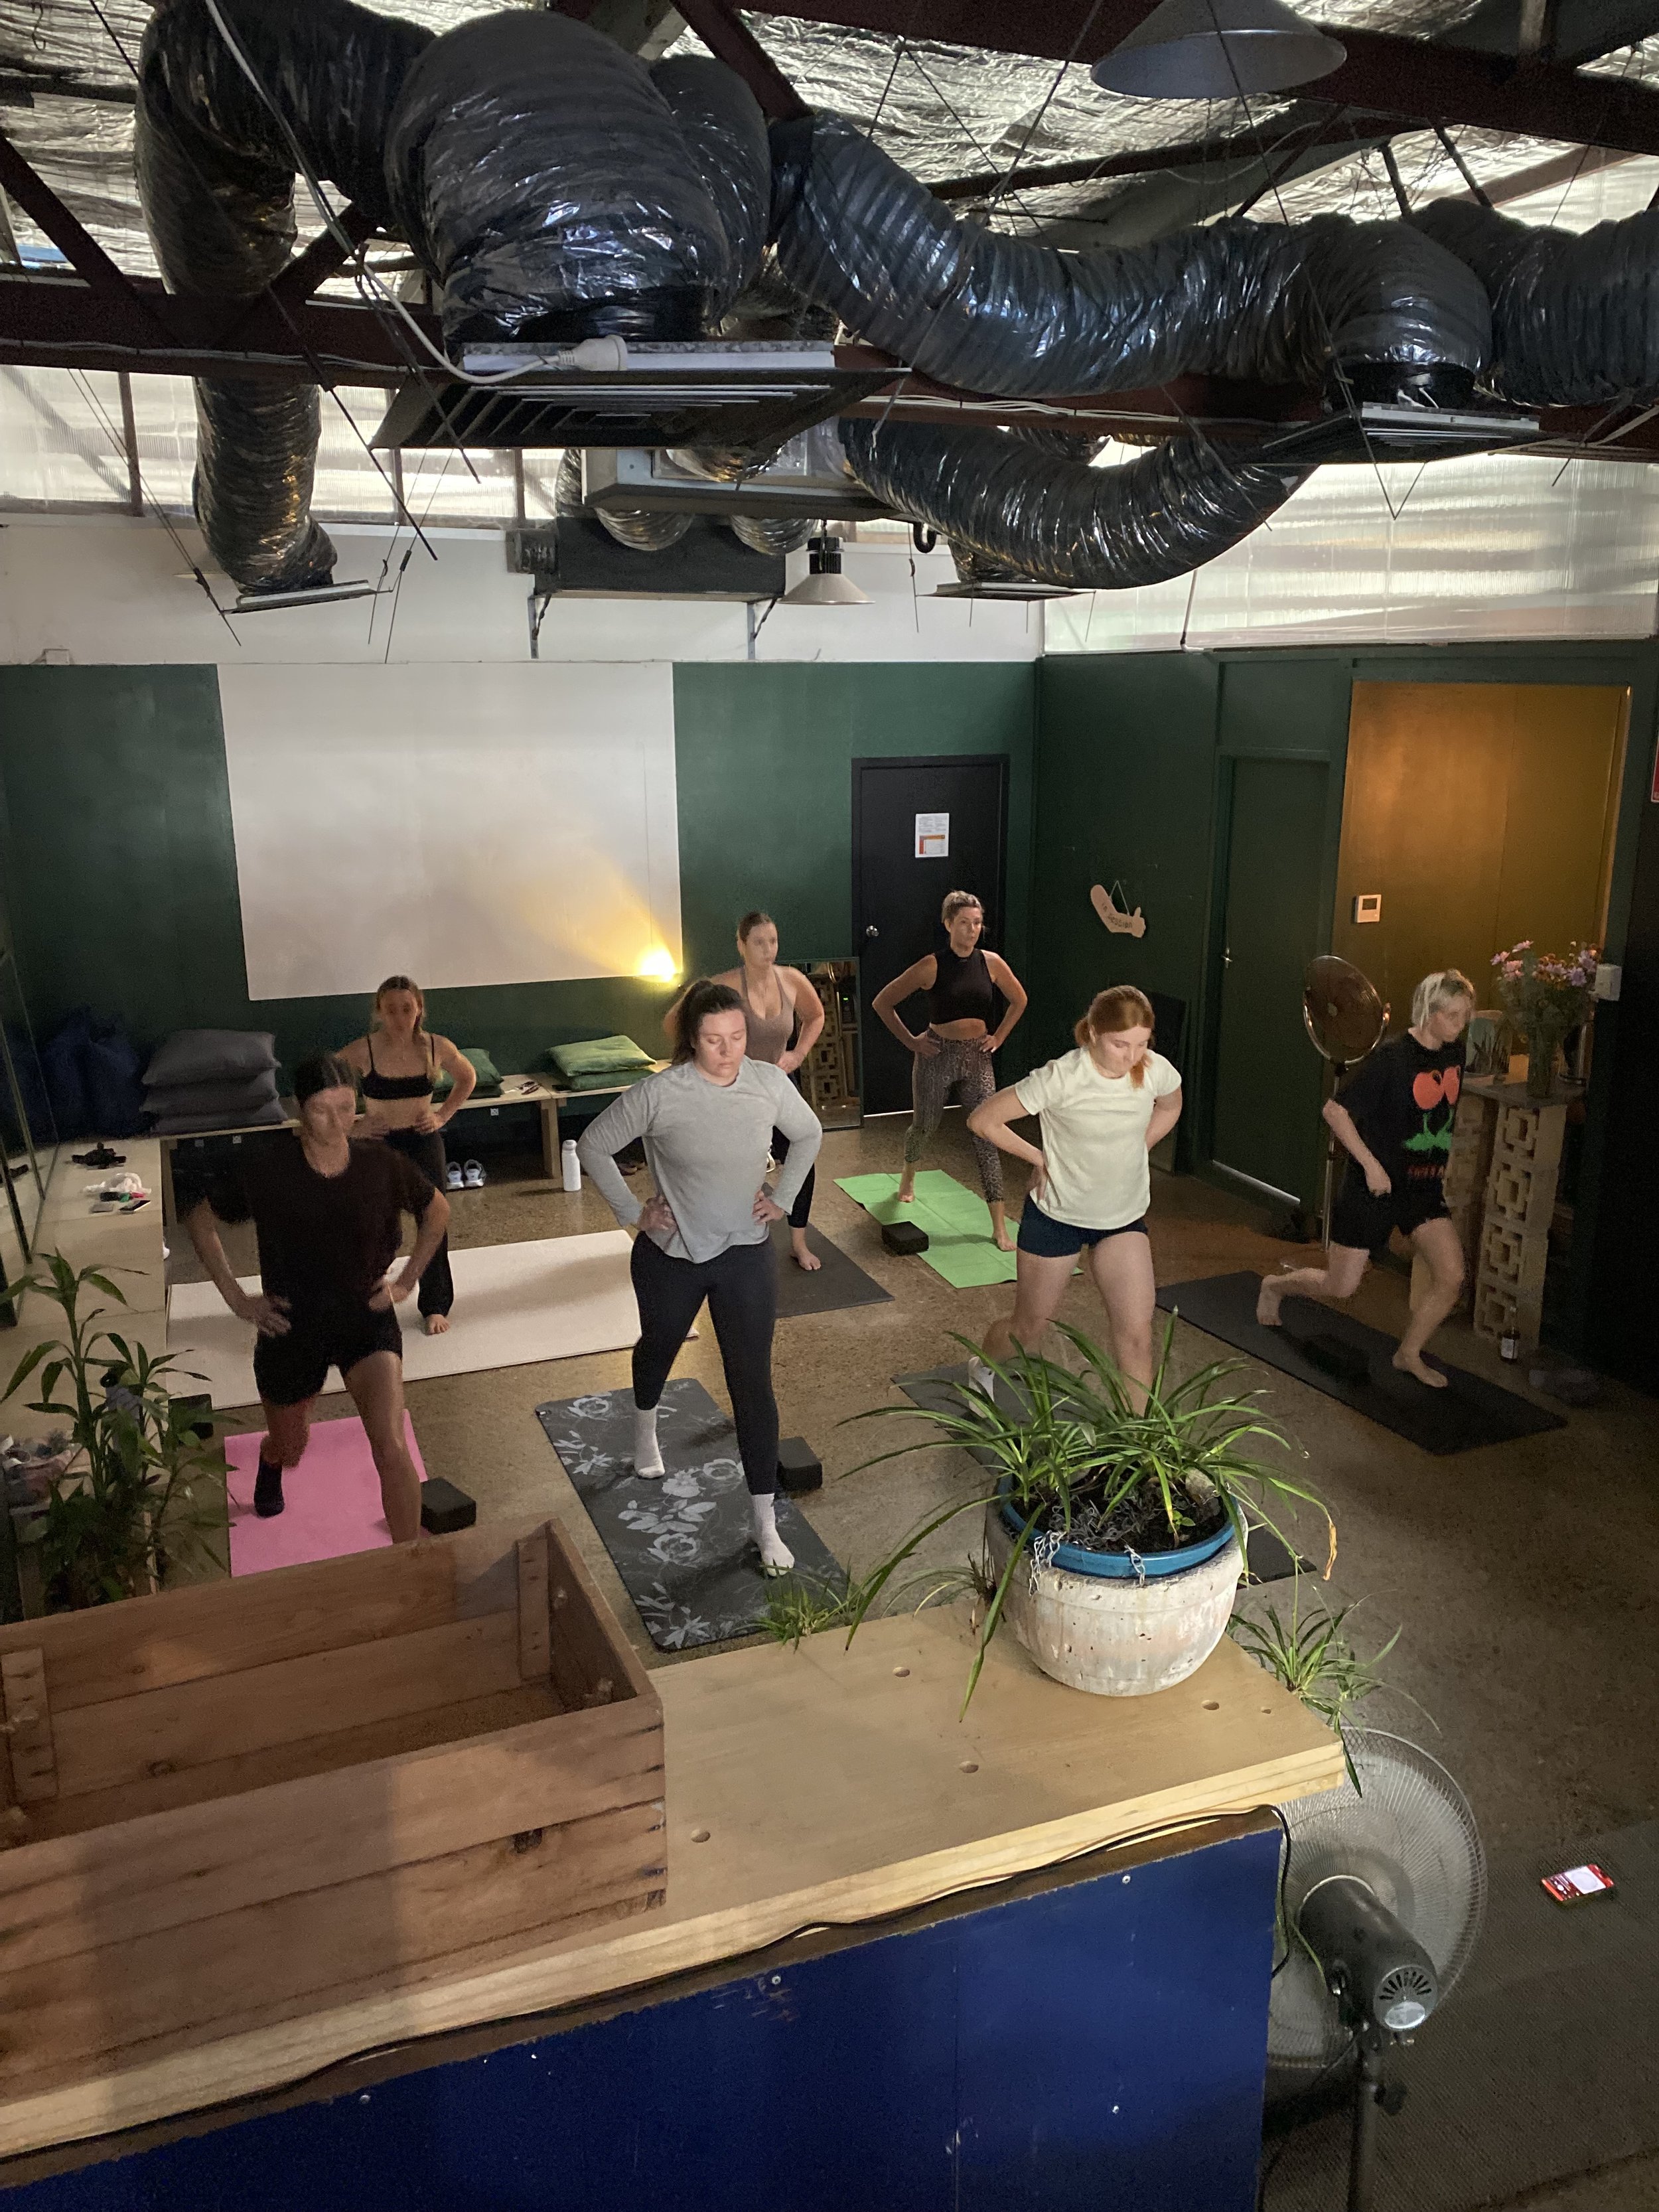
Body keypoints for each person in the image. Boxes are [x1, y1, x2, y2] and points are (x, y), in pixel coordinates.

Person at [581, 980, 823, 1576]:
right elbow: (593, 1145)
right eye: (714, 1040)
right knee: (659, 1347)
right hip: (671, 1257)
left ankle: (765, 1525)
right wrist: (634, 1212)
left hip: (744, 1254)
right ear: (692, 1040)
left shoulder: (767, 1082)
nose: (728, 1050)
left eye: (737, 1037)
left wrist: (784, 1197)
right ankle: (644, 1427)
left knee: (752, 1383)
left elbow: (810, 1132)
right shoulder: (662, 1093)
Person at [180, 1051, 449, 1541]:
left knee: (390, 1445)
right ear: (301, 1109)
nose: (337, 1122)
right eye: (323, 1109)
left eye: (347, 1108)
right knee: (291, 1447)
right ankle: (270, 1458)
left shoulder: (380, 1164)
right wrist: (239, 1300)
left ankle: (411, 1565)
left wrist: (407, 1282)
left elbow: (438, 1212)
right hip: (291, 1326)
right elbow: (200, 1221)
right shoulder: (266, 1168)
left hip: (365, 1319)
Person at [1257, 969, 1476, 1388]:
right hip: (1373, 1188)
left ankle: (1408, 1353)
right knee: (1341, 1288)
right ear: (1429, 1012)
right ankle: (1276, 1286)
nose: (1460, 1025)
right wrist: (1372, 1165)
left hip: (1422, 1189)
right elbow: (1334, 1112)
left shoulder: (1454, 1055)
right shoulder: (1393, 1059)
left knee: (1451, 1277)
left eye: (1465, 1016)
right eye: (1453, 1016)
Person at [966, 986, 1182, 1407]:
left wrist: (1140, 1146)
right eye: (1121, 1044)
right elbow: (983, 1120)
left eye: (1141, 1044)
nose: (1132, 1056)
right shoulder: (1062, 1077)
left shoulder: (1155, 1070)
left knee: (1137, 1335)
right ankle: (983, 1365)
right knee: (1027, 1330)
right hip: (1057, 1218)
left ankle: (1140, 1447)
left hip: (1122, 1221)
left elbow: (1170, 1106)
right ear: (1094, 1033)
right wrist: (1039, 1158)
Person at [665, 913, 827, 1271]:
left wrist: (798, 1053)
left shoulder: (792, 980)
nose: (768, 950)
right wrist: (705, 1063)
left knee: (804, 1159)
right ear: (741, 945)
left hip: (779, 1087)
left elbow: (816, 1017)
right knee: (725, 1166)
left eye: (773, 941)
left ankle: (798, 1241)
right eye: (758, 942)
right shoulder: (723, 987)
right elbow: (674, 1022)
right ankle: (709, 1237)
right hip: (733, 1092)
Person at [871, 890, 1029, 1252]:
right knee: (925, 1125)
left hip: (977, 1058)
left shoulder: (991, 962)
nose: (972, 930)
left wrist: (999, 1037)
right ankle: (908, 1176)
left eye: (977, 923)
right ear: (948, 925)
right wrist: (912, 1042)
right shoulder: (932, 965)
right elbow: (883, 1002)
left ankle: (999, 1228)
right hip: (937, 1055)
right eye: (964, 923)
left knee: (987, 1136)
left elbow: (1019, 1000)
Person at [339, 976, 476, 1335]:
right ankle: (368, 1298)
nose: (400, 1017)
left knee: (434, 1221)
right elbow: (322, 1091)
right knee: (374, 1225)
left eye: (407, 1009)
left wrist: (442, 1115)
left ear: (419, 1010)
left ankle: (435, 1305)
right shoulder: (361, 1051)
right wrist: (353, 1127)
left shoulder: (435, 1047)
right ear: (379, 1012)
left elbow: (467, 1078)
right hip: (378, 1145)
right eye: (391, 1010)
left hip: (423, 1141)